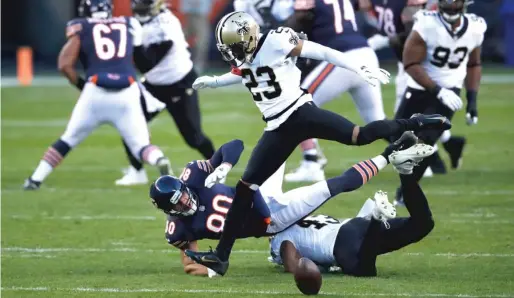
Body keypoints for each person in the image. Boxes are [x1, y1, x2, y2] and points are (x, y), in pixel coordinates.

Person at [181, 11, 451, 276]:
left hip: (302, 114)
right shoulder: (247, 55)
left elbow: (323, 52)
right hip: (277, 128)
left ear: (249, 38)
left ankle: (413, 122)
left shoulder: (276, 41)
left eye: (235, 47)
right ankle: (221, 257)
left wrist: (358, 67)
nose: (232, 54)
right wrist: (216, 82)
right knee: (245, 189)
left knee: (360, 136)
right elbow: (244, 72)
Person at [150, 132, 434, 277]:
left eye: (183, 194)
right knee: (336, 186)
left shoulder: (195, 176)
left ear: (184, 185)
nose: (185, 201)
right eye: (177, 204)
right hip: (271, 217)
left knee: (278, 138)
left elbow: (234, 144)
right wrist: (209, 268)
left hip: (257, 193)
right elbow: (190, 263)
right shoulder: (178, 229)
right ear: (168, 211)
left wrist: (223, 165)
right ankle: (388, 155)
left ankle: (301, 126)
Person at [23, 0, 170, 190]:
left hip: (96, 91)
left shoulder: (82, 26)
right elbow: (140, 57)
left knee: (68, 139)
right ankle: (159, 158)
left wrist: (81, 85)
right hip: (127, 90)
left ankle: (35, 179)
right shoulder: (129, 23)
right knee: (141, 146)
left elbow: (64, 65)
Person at [269, 143, 436, 276]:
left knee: (364, 270)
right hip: (357, 225)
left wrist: (315, 269)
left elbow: (293, 264)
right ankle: (405, 172)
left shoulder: (279, 238)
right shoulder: (301, 215)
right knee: (422, 224)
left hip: (341, 244)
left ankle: (377, 217)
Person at [282, 0, 388, 183]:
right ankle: (420, 152)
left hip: (342, 57)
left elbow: (298, 20)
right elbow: (363, 4)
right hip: (365, 53)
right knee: (376, 119)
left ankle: (312, 162)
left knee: (294, 103)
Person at [393, 0, 485, 205]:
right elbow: (410, 63)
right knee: (398, 136)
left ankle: (407, 191)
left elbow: (474, 63)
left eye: (456, 3)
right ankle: (453, 145)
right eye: (448, 2)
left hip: (450, 91)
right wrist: (437, 90)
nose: (452, 7)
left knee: (426, 142)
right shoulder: (426, 23)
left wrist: (472, 101)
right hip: (420, 88)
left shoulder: (476, 27)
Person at [114, 0, 215, 186]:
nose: (140, 10)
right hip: (153, 85)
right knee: (129, 123)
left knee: (193, 137)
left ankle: (217, 165)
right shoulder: (140, 23)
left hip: (178, 84)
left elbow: (147, 63)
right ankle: (137, 172)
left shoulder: (165, 25)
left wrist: (134, 43)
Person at [363, 0, 465, 178]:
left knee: (405, 122)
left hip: (419, 66)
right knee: (409, 121)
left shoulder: (414, 4)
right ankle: (448, 146)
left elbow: (417, 30)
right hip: (406, 64)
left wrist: (387, 40)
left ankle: (427, 163)